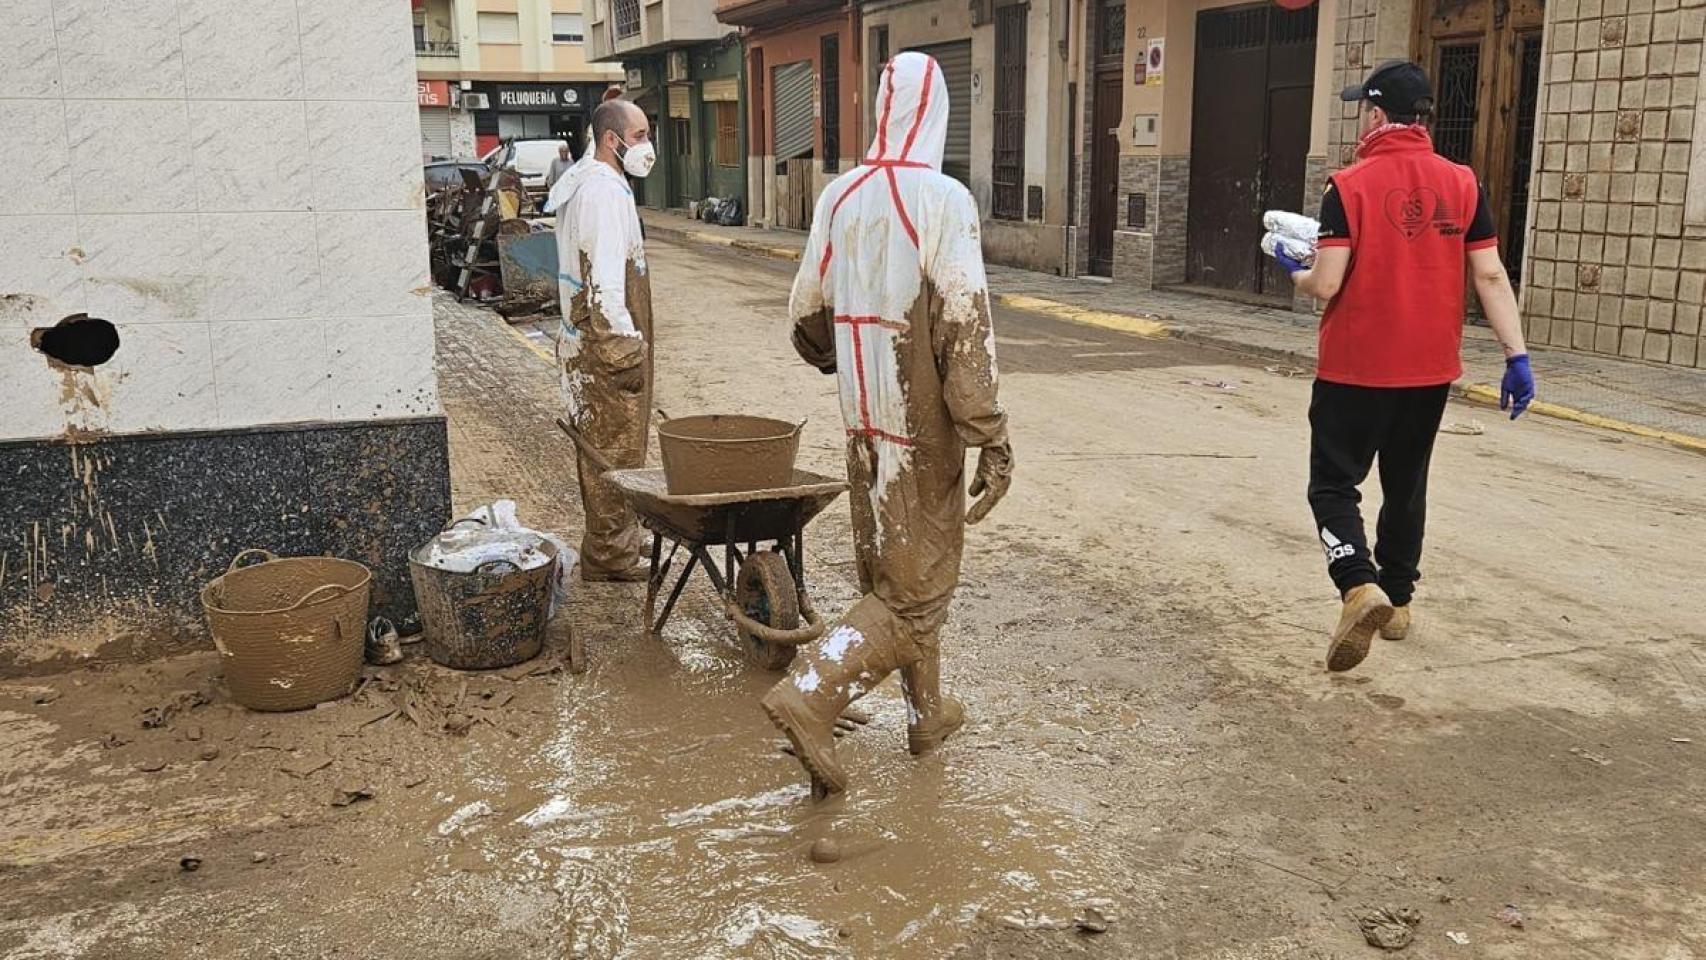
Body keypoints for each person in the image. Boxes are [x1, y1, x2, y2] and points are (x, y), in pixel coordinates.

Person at [761, 51, 1013, 796]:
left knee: (893, 573)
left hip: (864, 428)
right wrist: (988, 431)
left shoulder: (840, 197)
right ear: (935, 115)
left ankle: (926, 715)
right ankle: (809, 694)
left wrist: (846, 354)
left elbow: (807, 316)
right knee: (917, 589)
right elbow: (965, 326)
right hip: (921, 430)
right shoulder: (943, 199)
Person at [1275, 60, 1536, 672]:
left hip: (1354, 366)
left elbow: (1327, 281)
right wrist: (1516, 356)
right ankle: (1397, 602)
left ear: (1374, 113)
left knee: (1334, 484)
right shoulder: (1465, 184)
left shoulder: (1349, 185)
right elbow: (1491, 274)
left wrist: (1295, 269)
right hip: (1428, 371)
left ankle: (1357, 584)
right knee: (1406, 482)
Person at [548, 99, 659, 582]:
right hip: (604, 346)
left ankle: (616, 540)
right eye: (639, 136)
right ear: (611, 140)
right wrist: (626, 349)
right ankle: (611, 557)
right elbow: (604, 284)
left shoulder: (588, 184)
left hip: (586, 344)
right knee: (613, 456)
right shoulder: (603, 194)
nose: (646, 146)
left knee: (605, 454)